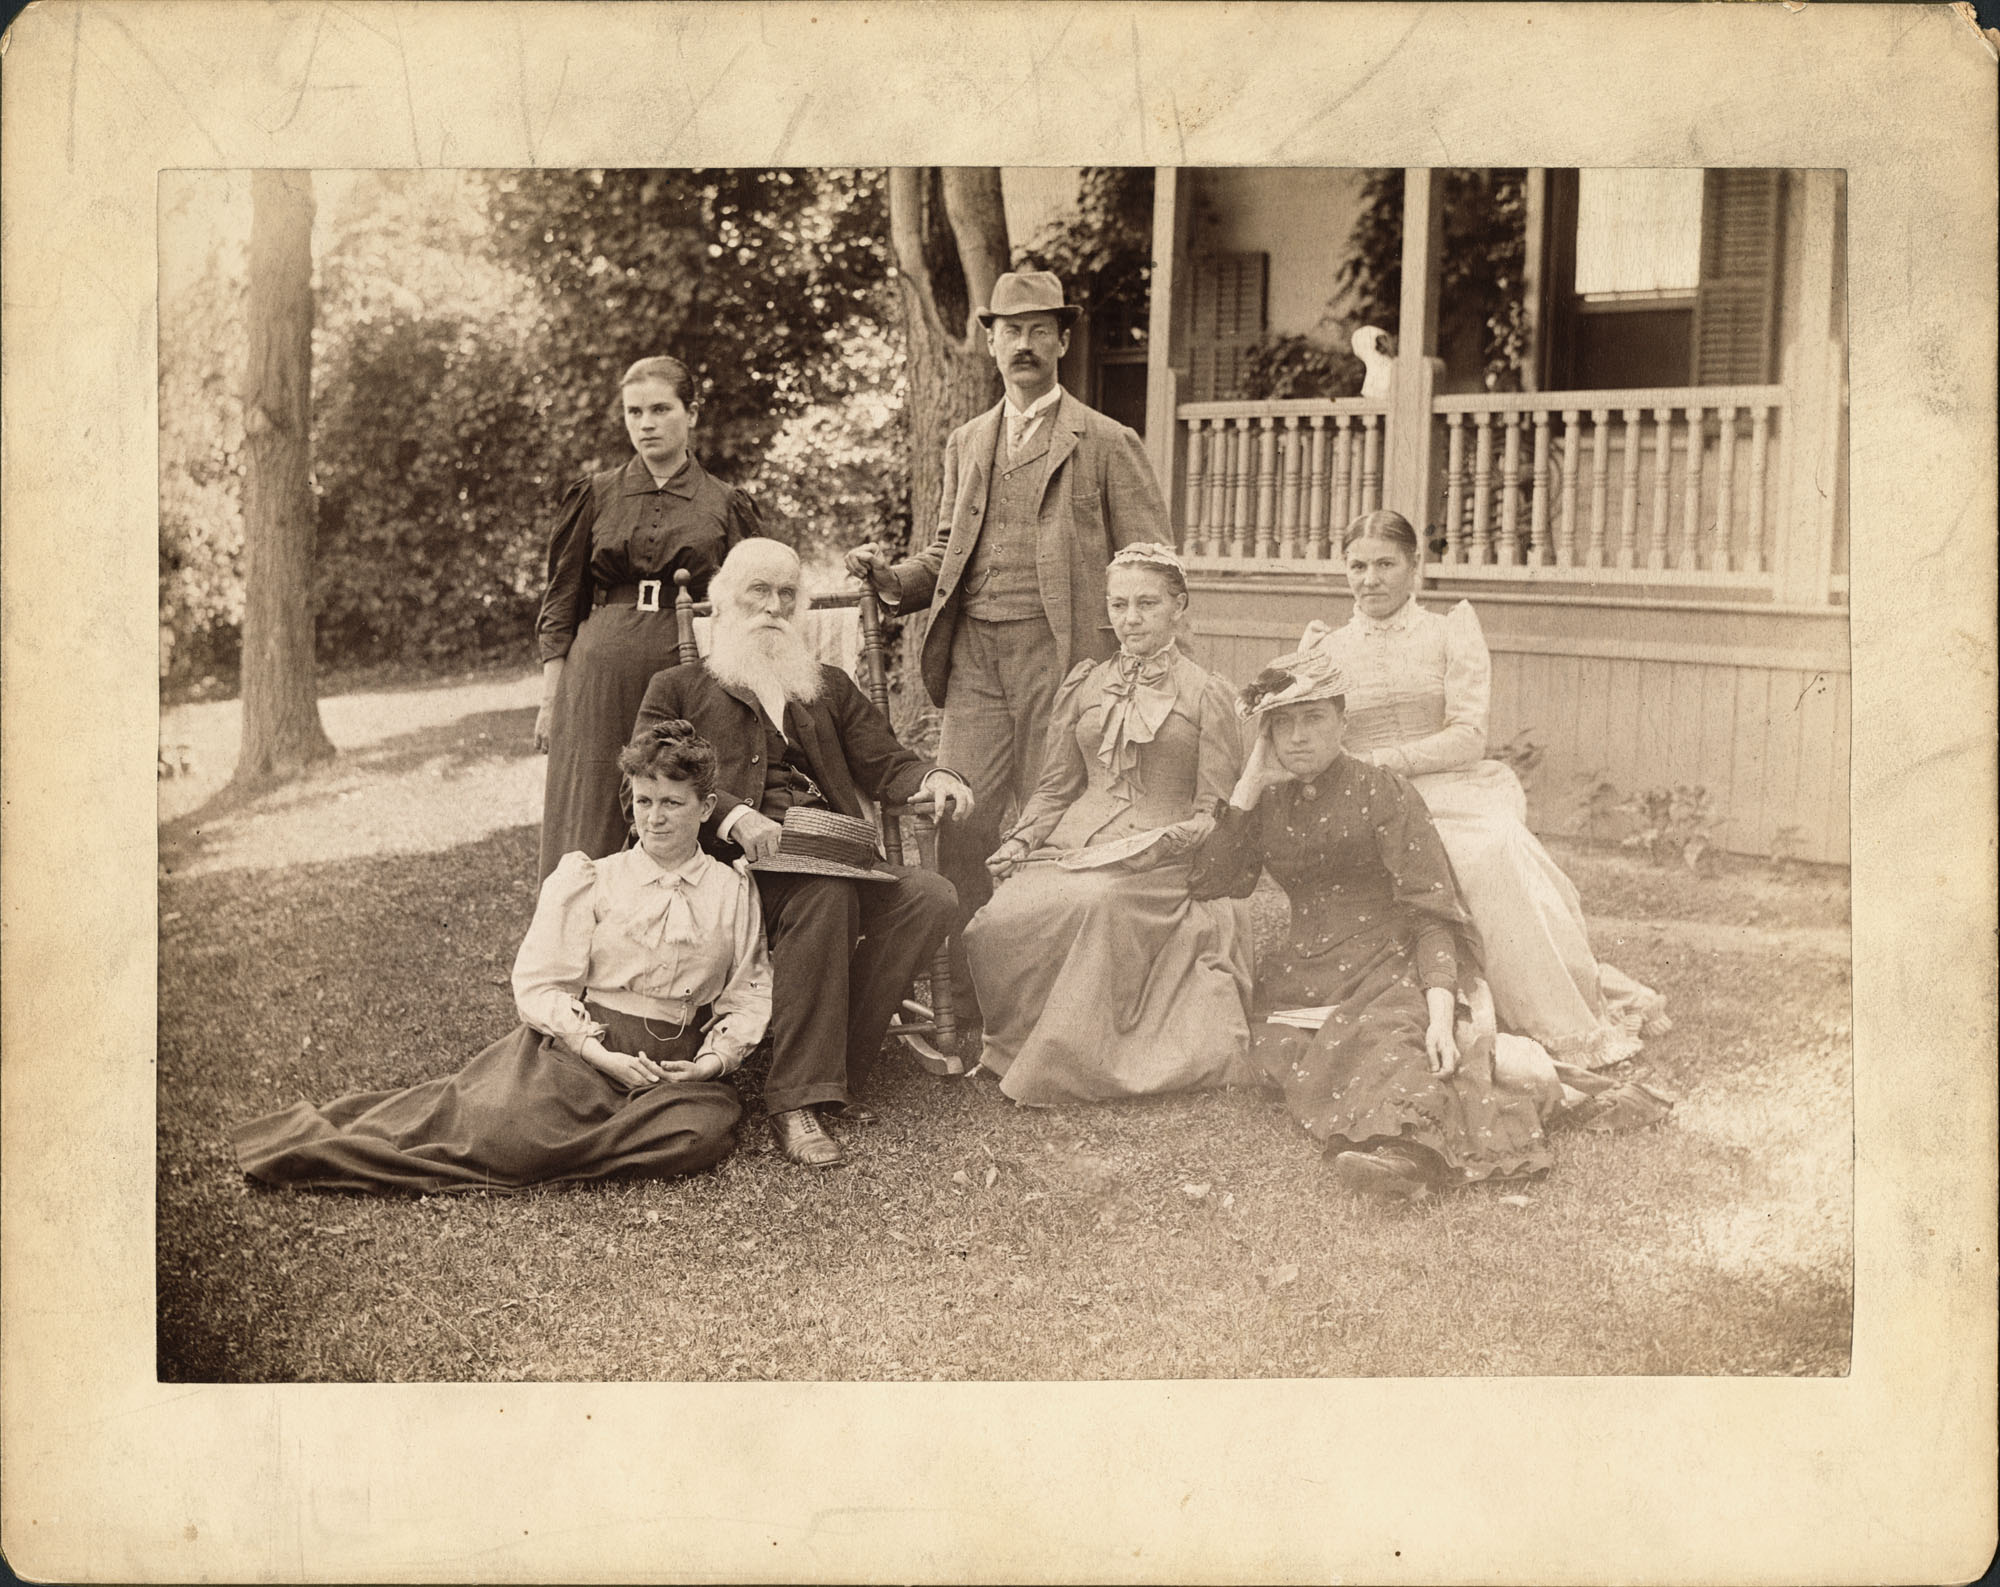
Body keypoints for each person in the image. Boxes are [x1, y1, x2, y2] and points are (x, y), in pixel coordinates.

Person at [232, 723, 768, 1194]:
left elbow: (747, 993)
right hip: (584, 1056)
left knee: (700, 1136)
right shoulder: (595, 879)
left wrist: (707, 1065)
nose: (654, 818)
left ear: (705, 807)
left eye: (672, 803)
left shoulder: (731, 890)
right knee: (505, 1132)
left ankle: (569, 1147)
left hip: (673, 1074)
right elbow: (541, 984)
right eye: (645, 801)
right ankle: (538, 1145)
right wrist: (600, 1054)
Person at [842, 270, 1170, 999]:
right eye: (1011, 331)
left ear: (1063, 341)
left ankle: (1059, 985)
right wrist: (891, 579)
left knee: (1062, 817)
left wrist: (1135, 668)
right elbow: (946, 551)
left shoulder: (1107, 441)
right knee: (958, 814)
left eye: (1039, 331)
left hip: (1066, 660)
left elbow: (1150, 562)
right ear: (990, 343)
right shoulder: (968, 441)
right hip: (975, 661)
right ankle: (968, 990)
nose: (1024, 344)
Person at [633, 539, 974, 1169]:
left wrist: (934, 778)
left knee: (930, 896)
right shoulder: (678, 688)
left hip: (833, 852)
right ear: (722, 601)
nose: (773, 607)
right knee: (826, 893)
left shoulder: (827, 687)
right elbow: (645, 773)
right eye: (758, 592)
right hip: (729, 872)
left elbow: (887, 763)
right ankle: (797, 1102)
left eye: (787, 594)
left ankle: (832, 1067)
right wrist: (730, 814)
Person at [1303, 509, 1668, 1069]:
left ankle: (1548, 1013)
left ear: (1414, 566)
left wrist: (1381, 760)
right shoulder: (1325, 648)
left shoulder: (1449, 632)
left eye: (1385, 565)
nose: (1370, 580)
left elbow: (1468, 736)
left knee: (1491, 851)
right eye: (1357, 566)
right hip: (1366, 799)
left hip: (1451, 787)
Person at [1189, 646, 1551, 1199]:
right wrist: (1249, 783)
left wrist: (1439, 1014)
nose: (1298, 737)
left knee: (1387, 1039)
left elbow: (1431, 911)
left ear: (1343, 722)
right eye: (1282, 724)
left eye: (1314, 718)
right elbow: (1211, 880)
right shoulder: (1269, 802)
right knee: (1282, 1051)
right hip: (1302, 976)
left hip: (1389, 962)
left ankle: (1407, 1157)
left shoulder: (1383, 790)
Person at [963, 545, 1255, 1104]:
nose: (1131, 618)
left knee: (1098, 900)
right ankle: (1014, 1044)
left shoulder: (1206, 692)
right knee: (995, 920)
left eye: (1147, 604)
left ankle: (1073, 1058)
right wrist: (1022, 839)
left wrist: (1174, 838)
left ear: (1179, 606)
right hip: (1073, 845)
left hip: (1164, 858)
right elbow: (1056, 787)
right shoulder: (1085, 684)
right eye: (1119, 605)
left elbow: (1214, 811)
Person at [533, 355, 766, 881]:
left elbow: (753, 603)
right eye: (634, 412)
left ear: (693, 413)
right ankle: (579, 928)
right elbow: (562, 600)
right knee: (590, 812)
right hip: (599, 680)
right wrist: (551, 699)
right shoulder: (595, 495)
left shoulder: (725, 503)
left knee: (682, 799)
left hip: (691, 671)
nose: (646, 424)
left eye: (661, 409)